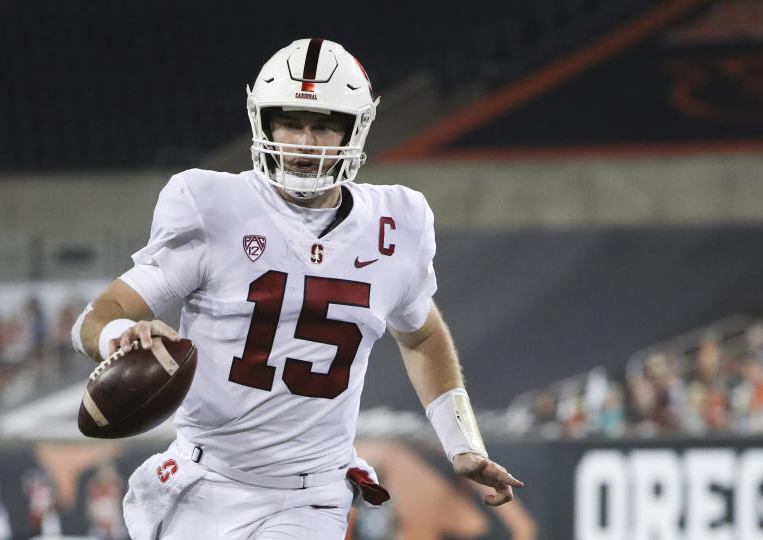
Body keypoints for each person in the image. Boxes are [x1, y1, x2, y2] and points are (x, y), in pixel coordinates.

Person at [71, 38, 523, 540]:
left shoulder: (397, 223)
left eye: (325, 124)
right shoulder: (212, 205)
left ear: (355, 129)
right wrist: (120, 334)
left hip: (310, 497)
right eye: (290, 121)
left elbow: (421, 336)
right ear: (263, 123)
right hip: (205, 483)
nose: (305, 143)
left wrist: (463, 443)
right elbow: (100, 312)